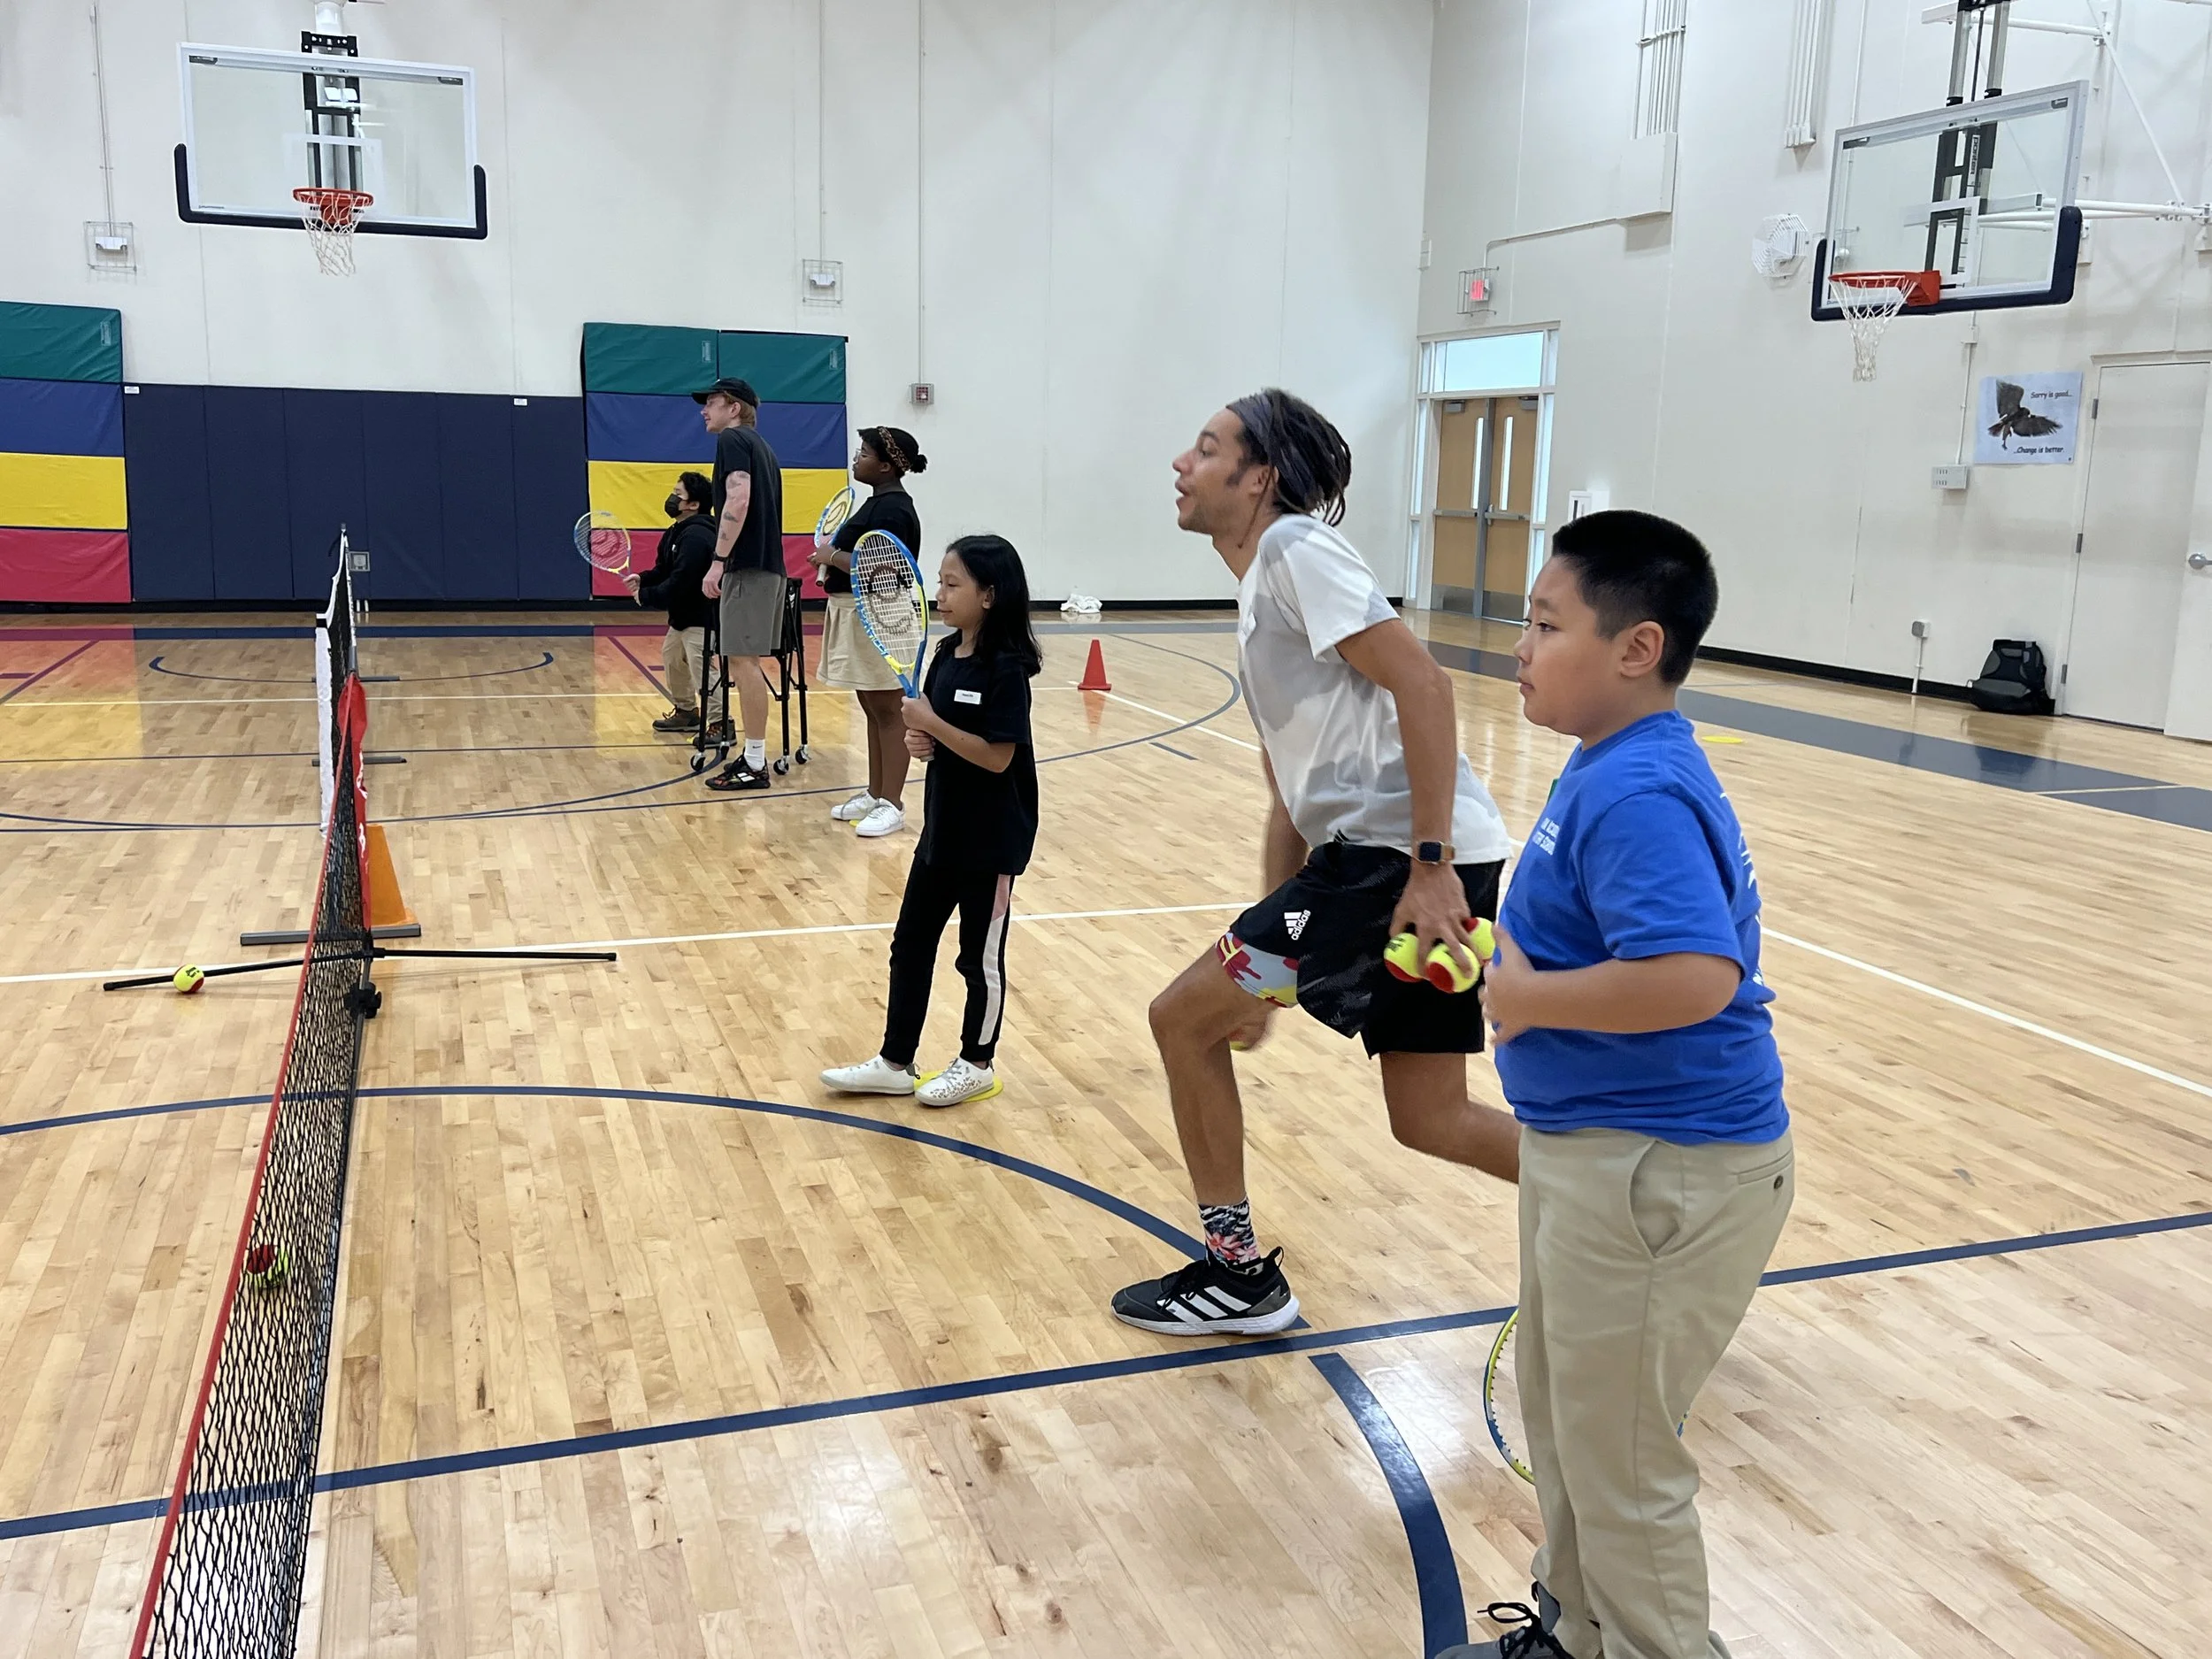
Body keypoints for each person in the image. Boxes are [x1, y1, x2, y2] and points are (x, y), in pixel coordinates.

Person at [1440, 511, 1793, 1659]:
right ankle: (1571, 1629)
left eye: (1545, 624)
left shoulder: (1636, 789)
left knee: (1625, 1463)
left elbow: (1693, 973)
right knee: (1570, 1420)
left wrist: (1530, 1000)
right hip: (1593, 1154)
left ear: (1637, 647)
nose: (1519, 645)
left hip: (1662, 1171)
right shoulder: (1608, 765)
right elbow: (1568, 950)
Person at [1109, 389, 1519, 1337]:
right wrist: (1260, 958)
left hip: (1396, 862)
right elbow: (1285, 796)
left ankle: (1237, 1273)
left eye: (1205, 448)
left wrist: (1429, 864)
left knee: (1179, 1023)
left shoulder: (1296, 548)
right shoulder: (1261, 588)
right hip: (1374, 860)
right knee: (1430, 1119)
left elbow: (1424, 681)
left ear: (1260, 479)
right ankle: (1637, 1218)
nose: (1181, 462)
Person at [818, 534, 1040, 1110]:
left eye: (952, 583)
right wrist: (923, 740)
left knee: (978, 959)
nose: (938, 593)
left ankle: (977, 1062)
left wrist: (933, 727)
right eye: (939, 582)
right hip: (942, 832)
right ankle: (896, 1060)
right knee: (911, 942)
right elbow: (939, 738)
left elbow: (997, 755)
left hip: (992, 841)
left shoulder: (1006, 668)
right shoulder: (943, 655)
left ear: (989, 595)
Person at [811, 426, 927, 838]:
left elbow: (886, 569)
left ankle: (892, 804)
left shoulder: (894, 509)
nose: (856, 459)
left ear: (885, 465)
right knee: (872, 708)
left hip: (882, 614)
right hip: (855, 610)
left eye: (864, 454)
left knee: (891, 711)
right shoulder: (875, 502)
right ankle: (876, 793)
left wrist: (832, 555)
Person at [693, 376, 787, 792]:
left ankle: (753, 762)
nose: (703, 410)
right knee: (742, 662)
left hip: (747, 568)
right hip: (767, 569)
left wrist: (717, 561)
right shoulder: (763, 448)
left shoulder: (733, 441)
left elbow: (738, 499)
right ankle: (751, 757)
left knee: (743, 663)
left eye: (711, 402)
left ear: (734, 408)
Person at [634, 471, 726, 736]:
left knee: (702, 669)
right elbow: (664, 570)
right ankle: (687, 712)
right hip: (683, 616)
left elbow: (682, 581)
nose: (671, 499)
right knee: (672, 657)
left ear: (693, 505)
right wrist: (642, 579)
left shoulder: (697, 537)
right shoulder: (676, 532)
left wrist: (647, 596)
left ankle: (721, 724)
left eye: (678, 495)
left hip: (703, 616)